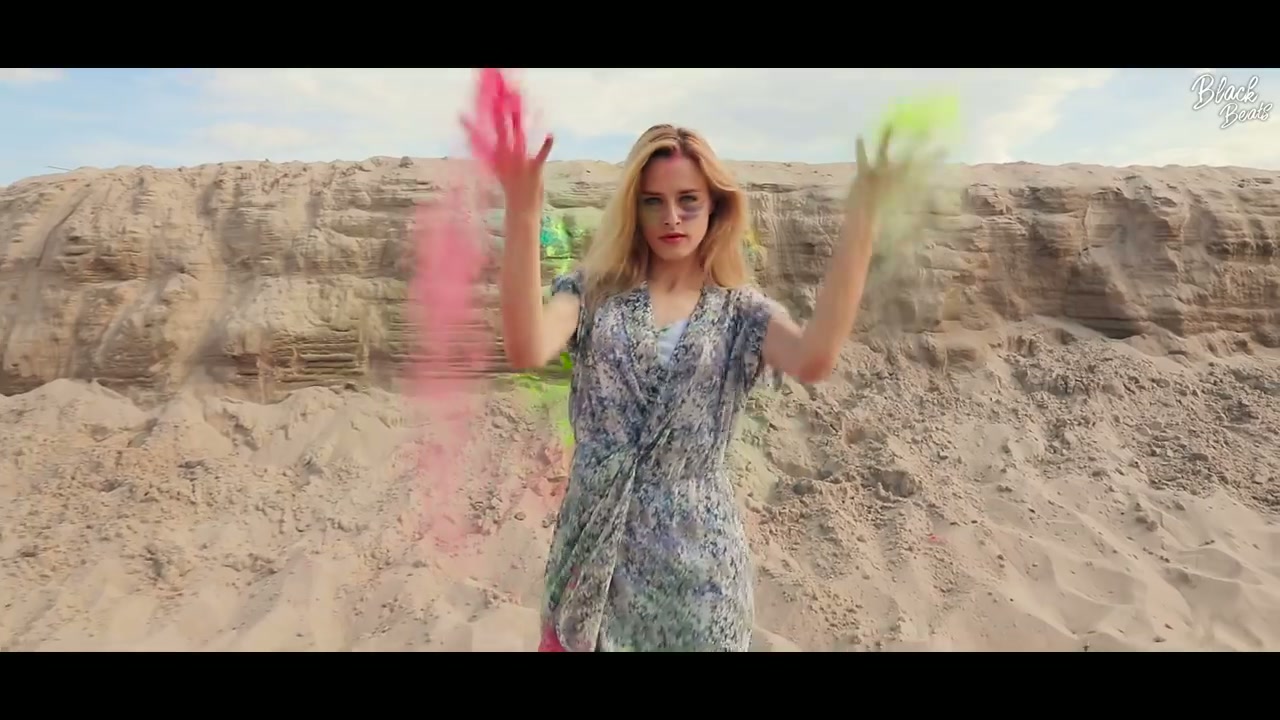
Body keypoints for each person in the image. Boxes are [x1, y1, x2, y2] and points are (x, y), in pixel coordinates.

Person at [483, 115, 908, 652]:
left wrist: (863, 217)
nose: (672, 217)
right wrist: (523, 211)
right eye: (653, 201)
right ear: (634, 209)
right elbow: (526, 348)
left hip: (699, 574)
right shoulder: (593, 294)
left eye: (688, 200)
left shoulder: (741, 313)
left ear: (715, 207)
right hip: (593, 567)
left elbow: (814, 359)